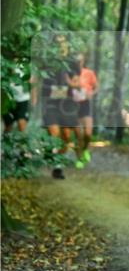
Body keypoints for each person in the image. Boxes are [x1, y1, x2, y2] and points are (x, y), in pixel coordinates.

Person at [35, 35, 77, 179]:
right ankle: (52, 157)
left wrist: (71, 84)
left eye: (63, 43)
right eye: (58, 43)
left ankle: (57, 165)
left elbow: (76, 83)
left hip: (66, 104)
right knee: (54, 133)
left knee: (66, 135)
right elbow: (38, 80)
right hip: (51, 103)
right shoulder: (48, 63)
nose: (61, 46)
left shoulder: (72, 63)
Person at [69, 52, 98, 168]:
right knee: (78, 135)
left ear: (84, 60)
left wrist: (91, 93)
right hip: (73, 105)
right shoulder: (69, 73)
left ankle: (85, 150)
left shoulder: (89, 73)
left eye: (81, 60)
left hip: (85, 103)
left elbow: (96, 87)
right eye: (77, 60)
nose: (79, 62)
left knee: (88, 133)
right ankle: (79, 158)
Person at [3, 61, 31, 133]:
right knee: (8, 124)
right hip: (8, 100)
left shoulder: (25, 64)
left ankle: (23, 142)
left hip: (23, 98)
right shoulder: (4, 63)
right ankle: (7, 141)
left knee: (21, 123)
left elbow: (32, 80)